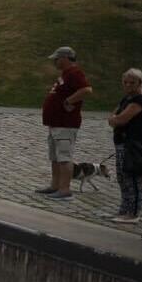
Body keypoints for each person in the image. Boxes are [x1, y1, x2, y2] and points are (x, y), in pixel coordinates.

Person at [39, 46, 92, 201]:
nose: (55, 61)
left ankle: (65, 190)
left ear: (66, 58)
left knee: (64, 157)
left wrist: (69, 101)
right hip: (56, 123)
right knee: (55, 157)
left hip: (65, 124)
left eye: (57, 58)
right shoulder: (66, 74)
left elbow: (87, 90)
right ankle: (55, 186)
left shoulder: (75, 73)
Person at [106, 68, 142, 224]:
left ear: (140, 83)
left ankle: (133, 213)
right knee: (123, 178)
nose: (128, 85)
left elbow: (120, 119)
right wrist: (114, 119)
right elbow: (112, 116)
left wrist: (115, 119)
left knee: (132, 178)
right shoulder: (126, 99)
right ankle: (124, 209)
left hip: (134, 145)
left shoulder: (141, 100)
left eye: (132, 82)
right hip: (121, 143)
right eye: (125, 82)